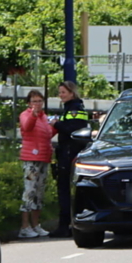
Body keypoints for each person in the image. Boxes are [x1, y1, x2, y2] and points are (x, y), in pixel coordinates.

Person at [50, 81, 91, 238]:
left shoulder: (74, 109)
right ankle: (67, 223)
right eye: (59, 92)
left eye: (63, 92)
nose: (61, 95)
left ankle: (65, 225)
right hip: (67, 152)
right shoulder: (71, 107)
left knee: (65, 190)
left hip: (69, 153)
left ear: (72, 93)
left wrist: (56, 123)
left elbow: (72, 130)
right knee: (65, 189)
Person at [18, 90, 54, 239]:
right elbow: (26, 127)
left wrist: (56, 126)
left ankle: (35, 225)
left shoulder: (44, 117)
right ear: (29, 103)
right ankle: (24, 226)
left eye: (40, 101)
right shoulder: (26, 115)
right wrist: (33, 114)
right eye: (34, 101)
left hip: (43, 158)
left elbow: (48, 134)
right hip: (31, 158)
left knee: (39, 194)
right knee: (29, 192)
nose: (37, 104)